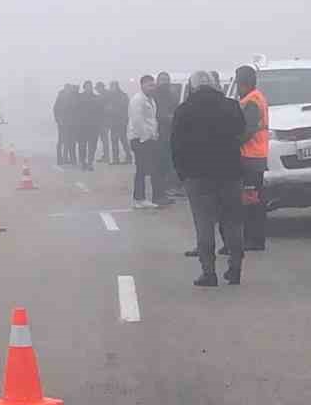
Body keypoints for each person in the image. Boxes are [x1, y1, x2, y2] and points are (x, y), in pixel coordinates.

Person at [170, 71, 247, 286]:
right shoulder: (231, 106)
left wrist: (181, 174)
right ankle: (235, 269)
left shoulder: (184, 111)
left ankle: (209, 272)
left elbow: (175, 146)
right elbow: (242, 133)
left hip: (197, 176)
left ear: (193, 86)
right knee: (233, 222)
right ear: (215, 86)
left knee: (204, 223)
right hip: (231, 173)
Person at [234, 65, 270, 251]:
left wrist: (233, 144)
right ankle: (253, 238)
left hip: (251, 156)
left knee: (252, 200)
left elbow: (248, 129)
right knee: (252, 199)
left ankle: (254, 240)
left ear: (243, 82)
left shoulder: (252, 100)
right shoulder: (253, 97)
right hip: (255, 155)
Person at [127, 74, 168, 208]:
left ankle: (144, 197)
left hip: (150, 138)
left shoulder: (151, 99)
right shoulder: (137, 100)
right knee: (141, 169)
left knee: (149, 168)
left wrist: (154, 134)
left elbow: (152, 119)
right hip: (140, 139)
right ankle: (139, 198)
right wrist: (146, 137)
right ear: (142, 85)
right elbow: (137, 121)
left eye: (153, 85)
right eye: (149, 85)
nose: (152, 87)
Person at [74, 79, 102, 170]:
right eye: (87, 86)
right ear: (84, 88)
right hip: (82, 126)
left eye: (90, 86)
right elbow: (75, 110)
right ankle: (83, 162)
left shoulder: (96, 98)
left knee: (92, 145)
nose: (89, 88)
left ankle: (90, 162)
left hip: (94, 126)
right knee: (82, 145)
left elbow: (100, 111)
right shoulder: (79, 97)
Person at [105, 80, 131, 165]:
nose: (111, 88)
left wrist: (113, 109)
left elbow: (125, 107)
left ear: (117, 86)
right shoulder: (110, 96)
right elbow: (106, 107)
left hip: (121, 122)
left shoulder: (122, 96)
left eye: (113, 86)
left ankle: (128, 157)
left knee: (123, 140)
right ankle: (116, 159)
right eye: (111, 86)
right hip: (113, 122)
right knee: (114, 140)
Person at [54, 84, 77, 165]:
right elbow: (55, 109)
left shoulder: (71, 97)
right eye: (68, 89)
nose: (69, 90)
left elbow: (73, 110)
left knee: (69, 141)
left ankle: (65, 158)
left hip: (70, 123)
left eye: (69, 89)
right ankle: (60, 159)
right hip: (62, 123)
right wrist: (58, 120)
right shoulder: (61, 97)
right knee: (62, 141)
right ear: (65, 89)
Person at [93, 81, 111, 162]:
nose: (97, 90)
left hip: (104, 121)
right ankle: (106, 155)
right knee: (104, 140)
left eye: (98, 88)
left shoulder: (104, 95)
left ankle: (106, 156)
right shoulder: (104, 95)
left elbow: (103, 107)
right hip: (103, 120)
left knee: (105, 140)